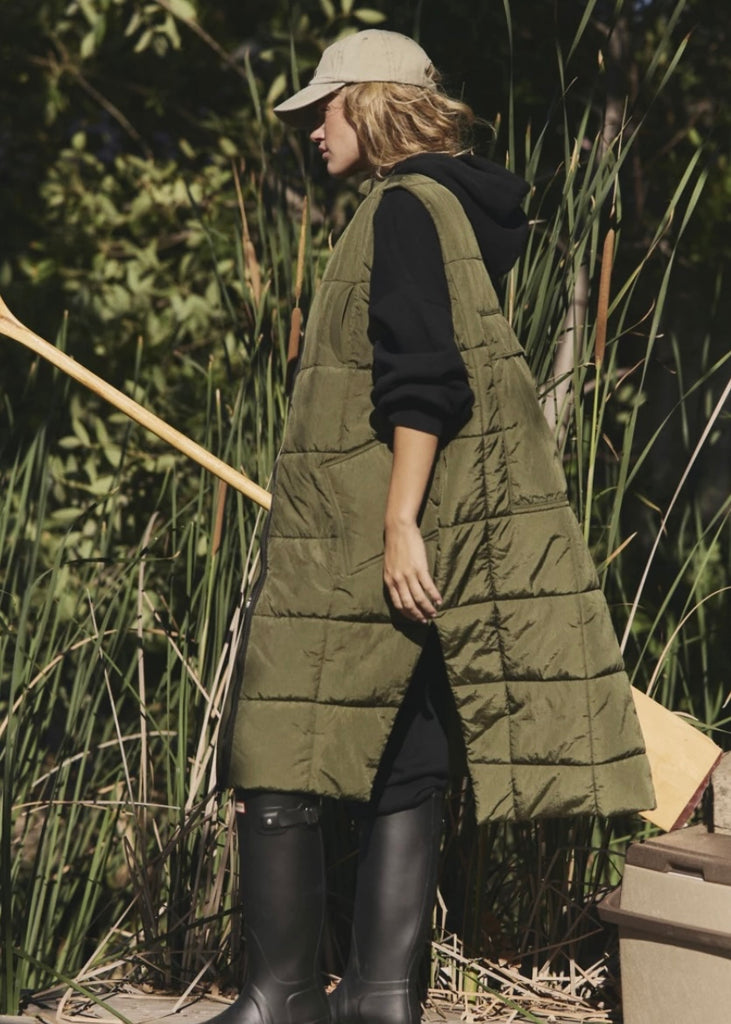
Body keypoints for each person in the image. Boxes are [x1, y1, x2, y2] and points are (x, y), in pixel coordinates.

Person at [212, 28, 655, 1024]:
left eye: (323, 107)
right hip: (391, 525)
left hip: (371, 532)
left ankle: (281, 996)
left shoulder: (405, 208)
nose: (310, 128)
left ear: (370, 104)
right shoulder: (447, 206)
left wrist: (398, 521)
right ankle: (378, 996)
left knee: (276, 741)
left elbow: (427, 380)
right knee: (407, 748)